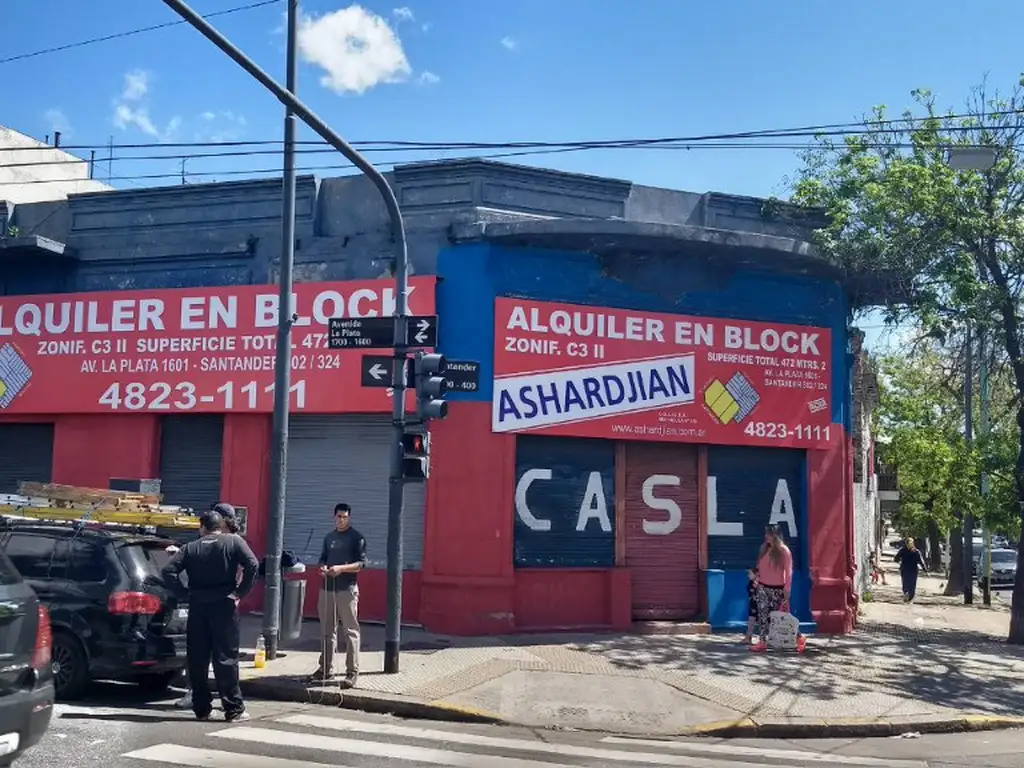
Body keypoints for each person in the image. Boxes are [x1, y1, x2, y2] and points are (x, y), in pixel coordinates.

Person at [162, 508, 258, 722]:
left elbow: (168, 571)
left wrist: (183, 593)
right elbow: (252, 565)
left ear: (202, 528)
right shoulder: (233, 542)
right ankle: (233, 709)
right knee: (225, 657)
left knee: (198, 658)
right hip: (224, 605)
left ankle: (202, 708)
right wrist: (239, 592)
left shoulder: (190, 548)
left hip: (198, 606)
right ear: (219, 525)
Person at [174, 503, 242, 711]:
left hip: (220, 604)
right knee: (205, 655)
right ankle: (204, 699)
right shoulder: (215, 542)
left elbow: (244, 568)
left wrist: (238, 593)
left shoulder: (233, 542)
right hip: (216, 603)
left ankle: (222, 702)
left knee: (220, 656)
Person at [310, 503, 367, 689]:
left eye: (345, 517)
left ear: (349, 518)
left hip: (347, 589)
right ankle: (325, 668)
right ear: (333, 517)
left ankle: (352, 672)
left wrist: (341, 569)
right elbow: (323, 558)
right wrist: (322, 568)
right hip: (327, 588)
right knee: (327, 631)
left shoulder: (356, 538)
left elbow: (361, 564)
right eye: (339, 517)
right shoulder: (329, 537)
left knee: (350, 631)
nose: (341, 520)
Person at [751, 524, 793, 653]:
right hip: (763, 587)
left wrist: (787, 588)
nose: (766, 536)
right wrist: (756, 579)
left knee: (780, 616)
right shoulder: (764, 549)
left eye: (769, 534)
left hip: (778, 589)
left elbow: (788, 571)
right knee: (762, 615)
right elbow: (759, 567)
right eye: (766, 534)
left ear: (776, 535)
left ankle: (796, 637)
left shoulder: (784, 551)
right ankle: (762, 641)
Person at [893, 537, 926, 602]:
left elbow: (896, 559)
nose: (909, 545)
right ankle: (909, 596)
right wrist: (925, 570)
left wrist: (925, 569)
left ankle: (907, 595)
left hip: (907, 569)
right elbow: (921, 561)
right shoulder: (915, 551)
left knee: (907, 583)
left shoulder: (904, 550)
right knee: (910, 584)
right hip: (911, 570)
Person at [743, 567, 759, 644]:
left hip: (758, 605)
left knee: (763, 621)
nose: (748, 575)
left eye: (750, 573)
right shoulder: (751, 582)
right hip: (753, 604)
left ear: (756, 574)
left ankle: (764, 639)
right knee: (751, 620)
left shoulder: (759, 582)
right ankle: (748, 637)